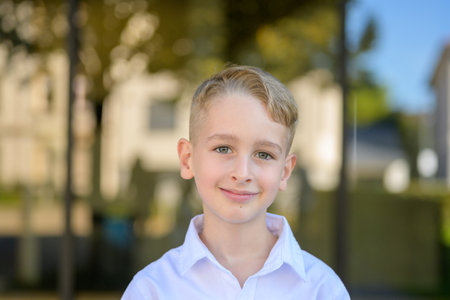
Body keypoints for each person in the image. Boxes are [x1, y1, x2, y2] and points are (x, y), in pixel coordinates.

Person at [121, 65, 350, 299]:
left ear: (285, 171)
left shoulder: (322, 289)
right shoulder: (151, 289)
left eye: (264, 154)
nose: (242, 173)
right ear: (188, 159)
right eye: (223, 148)